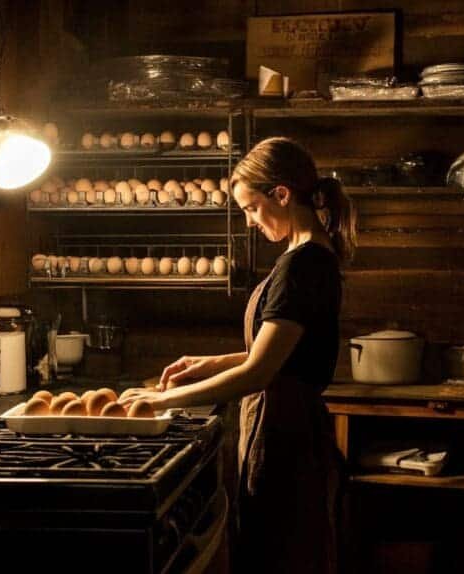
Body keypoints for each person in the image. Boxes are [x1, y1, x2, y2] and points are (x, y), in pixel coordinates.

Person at [119, 137, 356, 573]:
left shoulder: (303, 265)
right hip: (283, 430)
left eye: (250, 208)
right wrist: (208, 363)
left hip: (287, 440)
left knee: (282, 558)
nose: (249, 221)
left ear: (281, 194)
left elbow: (260, 373)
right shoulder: (305, 256)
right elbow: (281, 356)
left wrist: (160, 401)